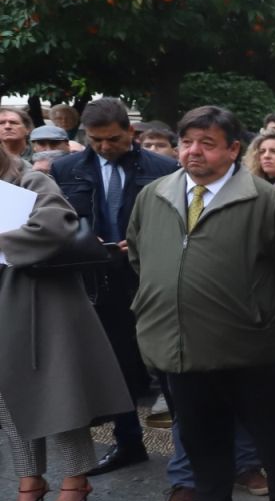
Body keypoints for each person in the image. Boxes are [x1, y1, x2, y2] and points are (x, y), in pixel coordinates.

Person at [127, 105, 275, 501]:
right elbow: (141, 260)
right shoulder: (155, 195)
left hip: (250, 348)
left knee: (272, 444)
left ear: (232, 150)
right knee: (203, 445)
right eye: (187, 142)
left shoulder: (271, 204)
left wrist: (270, 323)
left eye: (207, 143)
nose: (194, 152)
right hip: (178, 346)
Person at [1, 148, 132, 501]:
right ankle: (30, 479)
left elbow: (56, 226)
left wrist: (3, 241)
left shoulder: (30, 179)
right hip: (6, 302)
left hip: (39, 301)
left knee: (58, 393)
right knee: (7, 398)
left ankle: (75, 479)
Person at [51, 98, 179, 480]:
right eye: (96, 140)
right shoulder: (66, 169)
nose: (105, 147)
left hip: (149, 277)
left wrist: (139, 243)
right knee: (115, 367)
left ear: (130, 132)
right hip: (96, 279)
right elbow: (60, 220)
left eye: (113, 139)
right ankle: (128, 442)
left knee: (166, 367)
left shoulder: (163, 168)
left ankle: (188, 452)